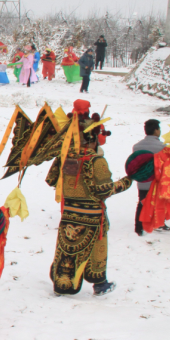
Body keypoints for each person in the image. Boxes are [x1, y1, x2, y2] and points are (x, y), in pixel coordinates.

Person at [46, 100, 132, 295]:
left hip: (69, 213)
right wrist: (125, 182)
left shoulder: (64, 156)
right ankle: (99, 283)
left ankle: (62, 280)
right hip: (92, 215)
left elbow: (52, 180)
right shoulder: (96, 160)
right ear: (92, 136)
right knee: (98, 245)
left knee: (67, 248)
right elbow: (103, 190)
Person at [133, 119, 168, 236]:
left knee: (142, 201)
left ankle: (138, 227)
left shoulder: (137, 146)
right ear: (156, 130)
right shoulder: (162, 147)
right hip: (156, 180)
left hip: (142, 179)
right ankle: (159, 223)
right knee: (159, 202)